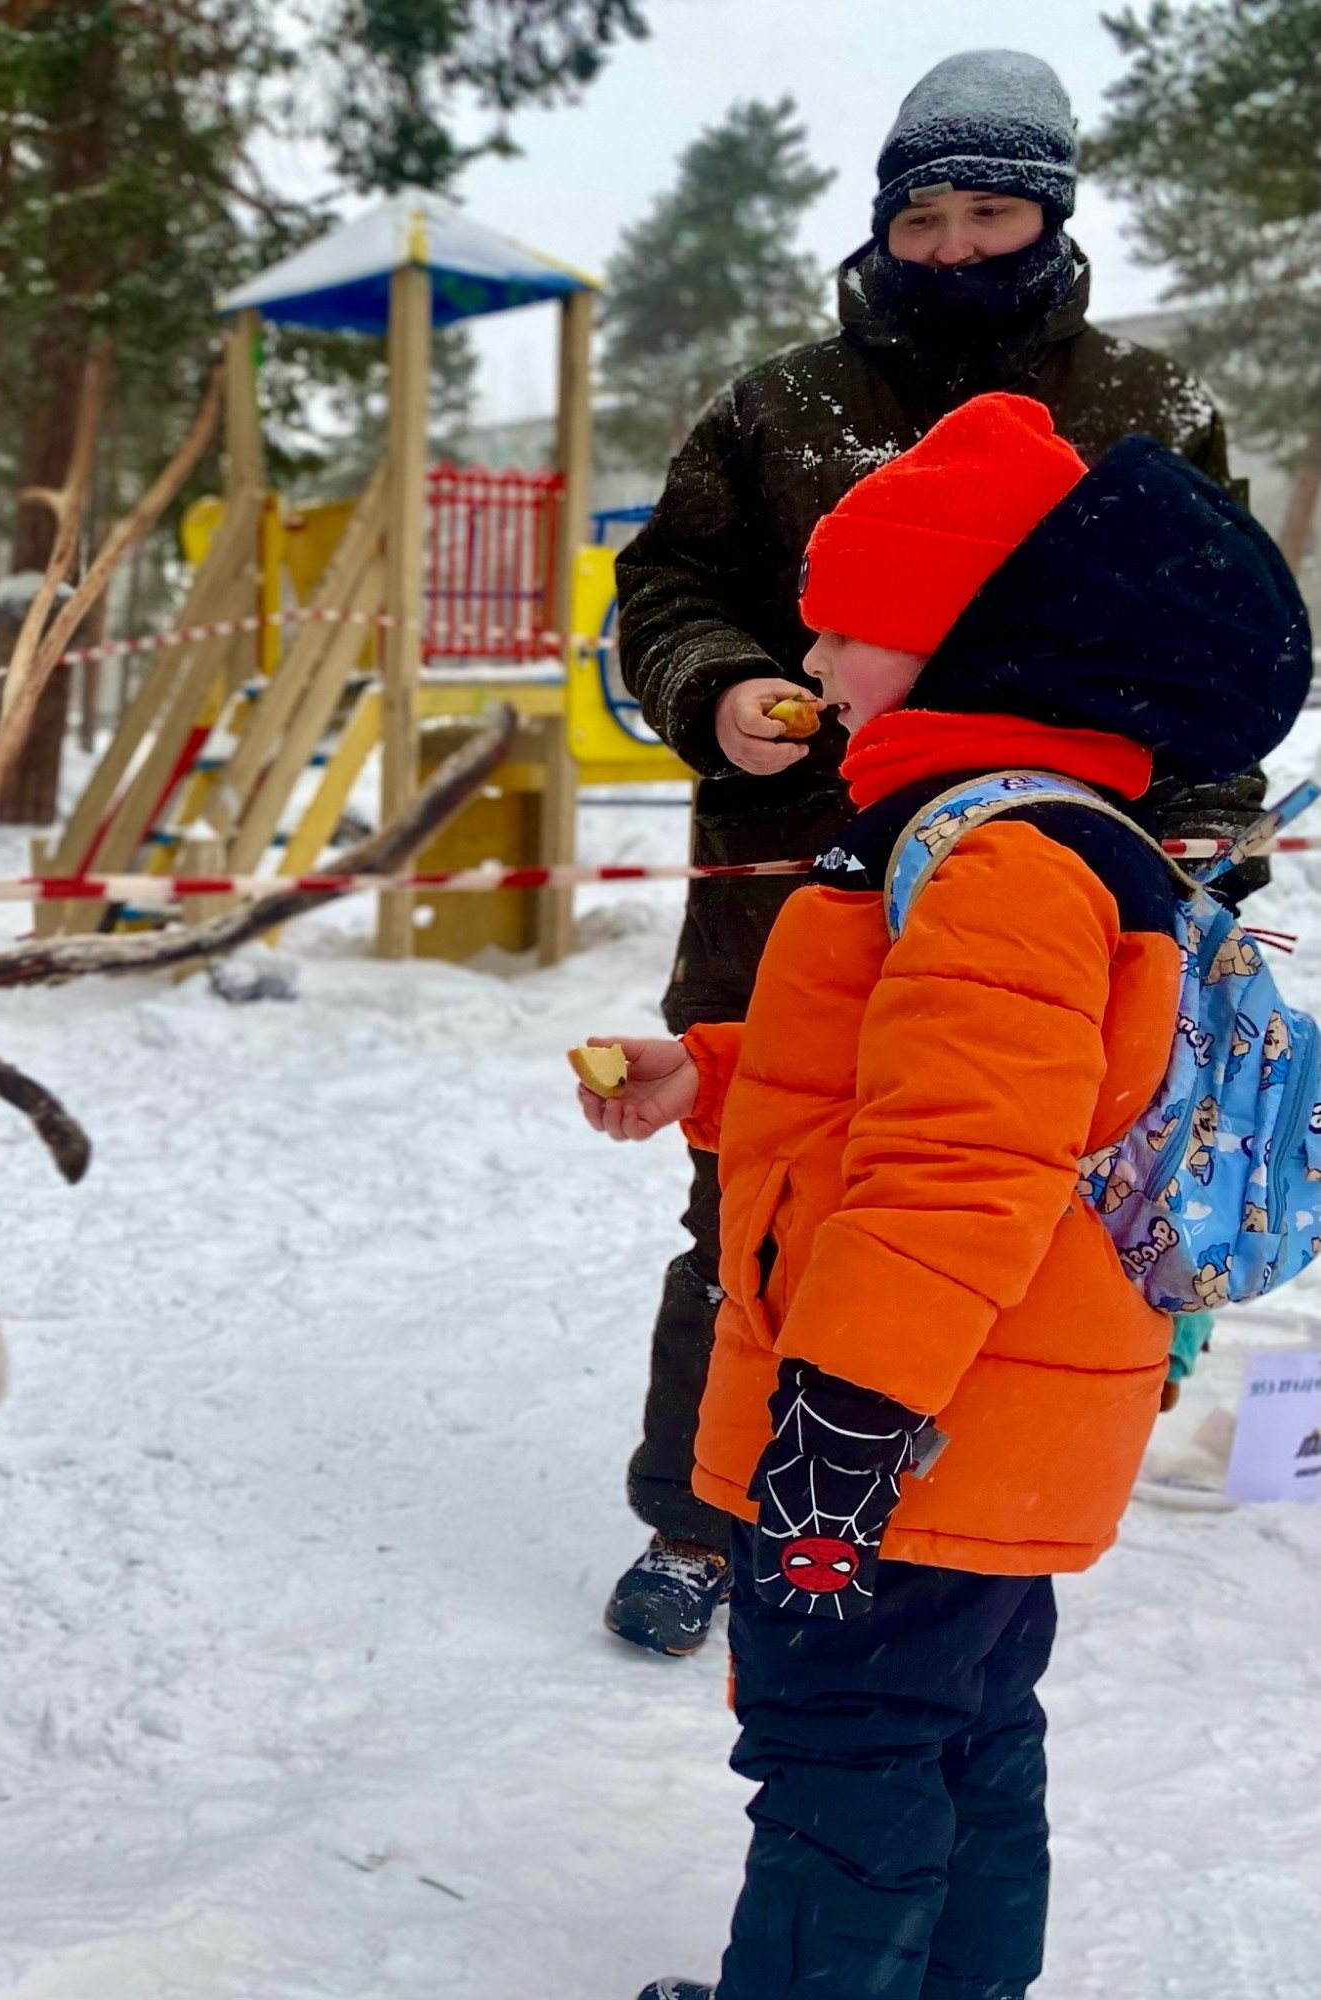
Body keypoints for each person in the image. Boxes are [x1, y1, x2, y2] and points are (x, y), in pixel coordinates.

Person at [586, 392, 1309, 2000]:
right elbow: (925, 1079)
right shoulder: (1023, 829)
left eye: (851, 630)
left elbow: (954, 1172)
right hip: (980, 1429)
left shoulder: (994, 858)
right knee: (968, 1735)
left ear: (967, 638)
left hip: (902, 1437)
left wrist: (842, 1421)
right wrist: (713, 1074)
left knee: (841, 1764)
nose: (821, 666)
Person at [602, 47, 1261, 1656]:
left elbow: (1205, 642)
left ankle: (975, 1523)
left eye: (993, 210)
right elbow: (665, 588)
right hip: (797, 879)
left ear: (1051, 216)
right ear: (881, 224)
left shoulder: (1147, 410)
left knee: (1012, 1196)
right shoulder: (778, 403)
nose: (956, 245)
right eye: (928, 216)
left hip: (1051, 886)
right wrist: (723, 686)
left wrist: (1196, 838)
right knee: (751, 1195)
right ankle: (705, 1517)